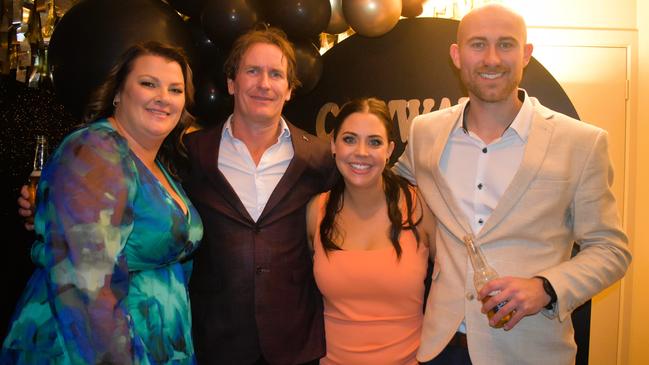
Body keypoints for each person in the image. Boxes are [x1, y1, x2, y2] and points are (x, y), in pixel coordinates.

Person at [394, 4, 632, 365]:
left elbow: (611, 250)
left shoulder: (582, 142)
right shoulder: (425, 131)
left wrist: (546, 287)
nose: (491, 58)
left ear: (526, 54)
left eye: (506, 45)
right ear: (457, 56)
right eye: (478, 45)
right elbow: (389, 189)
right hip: (441, 348)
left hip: (530, 351)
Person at [2, 42, 203, 364]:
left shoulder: (157, 161)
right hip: (88, 348)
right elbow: (85, 289)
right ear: (118, 93)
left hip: (154, 343)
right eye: (148, 83)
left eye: (175, 89)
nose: (163, 97)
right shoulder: (95, 149)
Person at [181, 27, 337, 364]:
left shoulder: (318, 157)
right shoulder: (191, 152)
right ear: (231, 83)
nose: (264, 84)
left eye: (276, 74)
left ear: (290, 89)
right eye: (252, 71)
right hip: (216, 343)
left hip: (296, 344)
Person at [306, 98, 435, 365]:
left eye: (374, 142)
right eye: (349, 139)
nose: (361, 152)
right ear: (333, 144)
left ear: (389, 150)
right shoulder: (315, 211)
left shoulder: (420, 207)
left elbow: (453, 279)